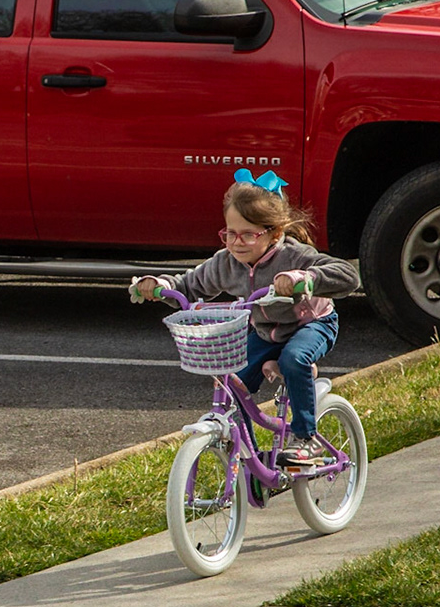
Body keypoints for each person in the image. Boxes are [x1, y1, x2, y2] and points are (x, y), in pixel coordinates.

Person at [130, 174, 360, 466]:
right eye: (230, 233)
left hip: (310, 325)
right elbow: (188, 286)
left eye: (248, 235)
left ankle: (305, 438)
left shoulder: (293, 256)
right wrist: (159, 284)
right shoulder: (226, 262)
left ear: (274, 233)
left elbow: (348, 276)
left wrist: (305, 278)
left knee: (294, 358)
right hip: (265, 332)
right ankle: (250, 460)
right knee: (234, 385)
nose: (237, 243)